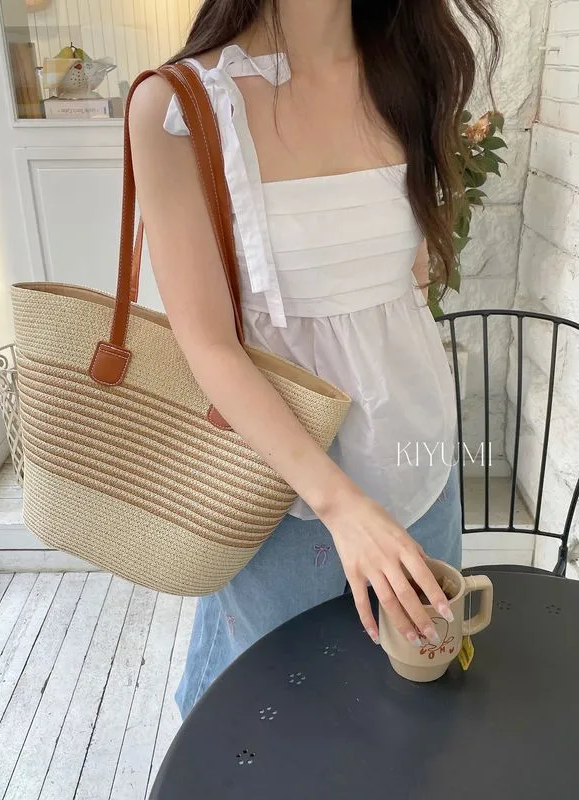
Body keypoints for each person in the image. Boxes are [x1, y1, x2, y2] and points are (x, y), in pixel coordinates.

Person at [129, 0, 500, 719]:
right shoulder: (179, 107)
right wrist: (342, 506)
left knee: (415, 699)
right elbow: (207, 342)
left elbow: (407, 286)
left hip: (419, 455)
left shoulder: (409, 71)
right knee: (281, 719)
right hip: (283, 485)